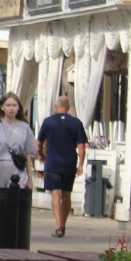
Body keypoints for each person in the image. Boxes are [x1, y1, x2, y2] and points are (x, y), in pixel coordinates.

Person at [37, 95, 88, 237]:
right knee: (66, 194)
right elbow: (81, 146)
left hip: (52, 162)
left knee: (55, 193)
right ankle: (63, 225)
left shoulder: (48, 122)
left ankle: (58, 225)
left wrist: (41, 155)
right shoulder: (76, 123)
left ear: (55, 107)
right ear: (69, 107)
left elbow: (39, 142)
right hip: (69, 162)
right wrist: (80, 164)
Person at [0, 91, 38, 190]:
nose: (11, 108)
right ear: (2, 107)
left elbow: (27, 155)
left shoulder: (25, 127)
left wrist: (30, 179)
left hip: (17, 168)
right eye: (8, 105)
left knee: (15, 200)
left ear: (18, 107)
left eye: (14, 105)